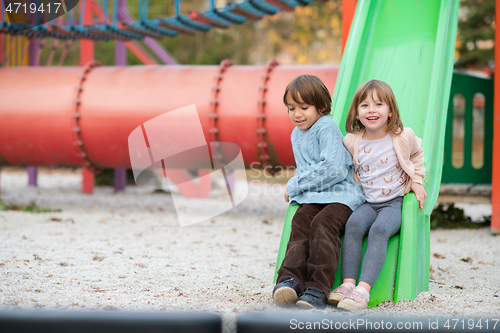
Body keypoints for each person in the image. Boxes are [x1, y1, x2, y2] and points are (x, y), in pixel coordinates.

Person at [329, 79, 427, 311]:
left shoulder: (403, 136)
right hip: (367, 202)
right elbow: (341, 167)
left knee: (379, 230)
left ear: (390, 111)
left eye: (379, 104)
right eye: (364, 105)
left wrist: (417, 181)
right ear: (356, 113)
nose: (371, 110)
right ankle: (348, 284)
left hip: (393, 203)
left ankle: (362, 290)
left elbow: (417, 155)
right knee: (352, 225)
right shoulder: (352, 141)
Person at [273, 75, 365, 309]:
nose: (297, 114)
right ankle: (289, 280)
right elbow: (306, 169)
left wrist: (295, 185)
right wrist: (300, 190)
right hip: (316, 196)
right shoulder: (296, 134)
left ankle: (317, 288)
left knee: (322, 224)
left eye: (304, 107)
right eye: (291, 108)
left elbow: (332, 169)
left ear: (321, 107)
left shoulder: (326, 127)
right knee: (301, 221)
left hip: (341, 195)